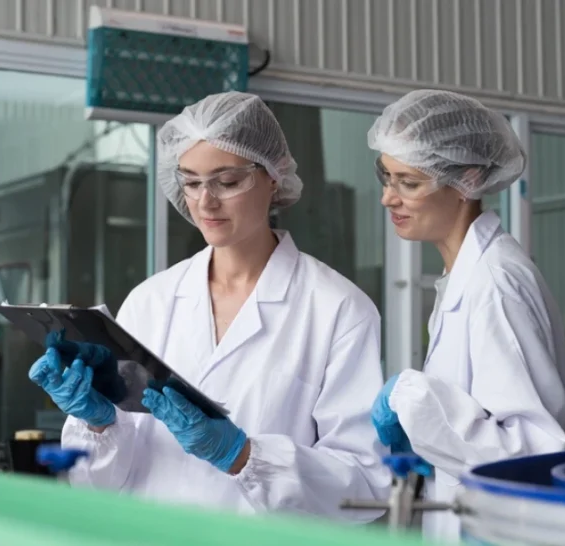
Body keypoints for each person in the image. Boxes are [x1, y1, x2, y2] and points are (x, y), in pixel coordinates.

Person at [28, 91, 389, 520]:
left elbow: (364, 488)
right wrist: (98, 423)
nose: (205, 202)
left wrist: (243, 456)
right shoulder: (152, 300)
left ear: (273, 177)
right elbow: (99, 484)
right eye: (192, 181)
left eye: (228, 181)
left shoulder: (338, 309)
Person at [366, 89, 565, 541]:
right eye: (387, 177)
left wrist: (414, 401)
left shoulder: (496, 283)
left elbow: (532, 448)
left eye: (409, 183)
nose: (389, 198)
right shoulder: (464, 276)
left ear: (466, 180)